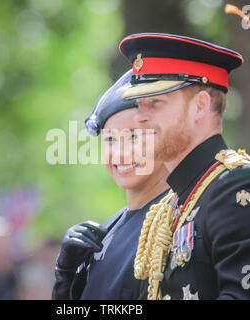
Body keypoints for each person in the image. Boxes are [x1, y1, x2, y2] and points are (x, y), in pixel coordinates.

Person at [118, 33, 250, 300]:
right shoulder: (173, 203)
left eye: (155, 102)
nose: (139, 117)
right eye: (138, 104)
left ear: (200, 106)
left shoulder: (240, 185)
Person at [52, 70, 170, 300]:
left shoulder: (178, 222)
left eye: (134, 136)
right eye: (110, 140)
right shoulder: (106, 233)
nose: (121, 152)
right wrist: (65, 278)